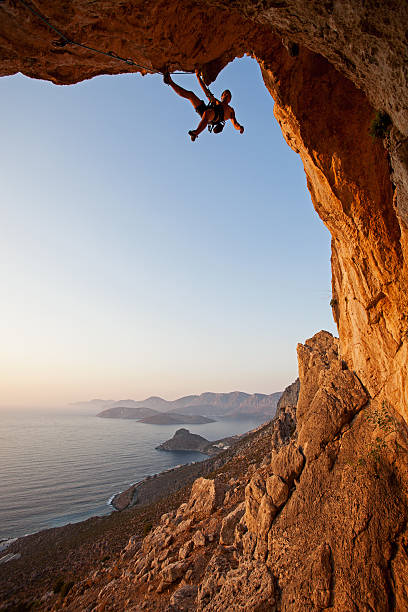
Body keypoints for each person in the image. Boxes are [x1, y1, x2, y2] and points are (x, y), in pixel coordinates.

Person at [163, 70, 244, 141]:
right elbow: (206, 92)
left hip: (214, 117)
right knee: (191, 95)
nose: (226, 94)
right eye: (224, 94)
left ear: (230, 99)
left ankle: (195, 133)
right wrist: (198, 77)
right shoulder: (216, 101)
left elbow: (235, 123)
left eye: (228, 94)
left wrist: (240, 128)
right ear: (221, 96)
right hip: (206, 111)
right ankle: (170, 81)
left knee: (208, 113)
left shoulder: (230, 110)